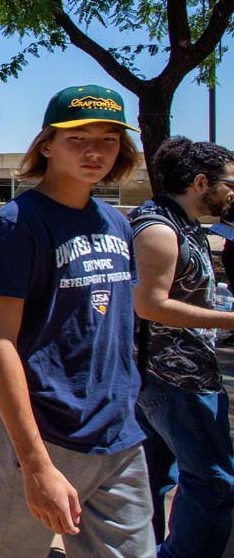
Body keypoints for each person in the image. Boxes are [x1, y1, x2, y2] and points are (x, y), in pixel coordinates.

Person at [0, 84, 152, 557]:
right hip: (44, 430)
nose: (95, 151)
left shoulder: (117, 223)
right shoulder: (16, 224)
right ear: (46, 145)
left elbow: (114, 324)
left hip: (119, 434)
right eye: (78, 138)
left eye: (108, 139)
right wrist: (34, 464)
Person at [129, 136, 234, 556]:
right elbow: (150, 305)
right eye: (230, 182)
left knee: (156, 476)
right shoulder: (157, 229)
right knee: (213, 483)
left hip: (176, 376)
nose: (233, 192)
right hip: (174, 380)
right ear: (201, 182)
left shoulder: (183, 221)